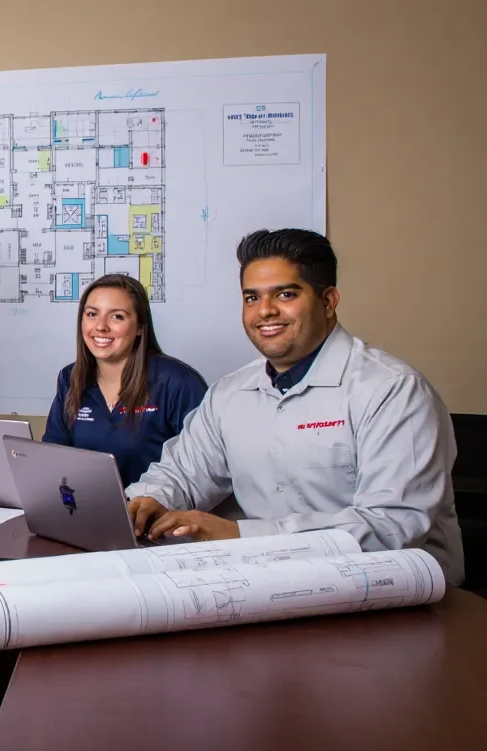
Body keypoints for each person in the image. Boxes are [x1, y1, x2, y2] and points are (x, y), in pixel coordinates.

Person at [124, 228, 464, 584]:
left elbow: (392, 527)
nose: (265, 311)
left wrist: (237, 537)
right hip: (267, 583)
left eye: (285, 294)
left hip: (393, 594)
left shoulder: (393, 390)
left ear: (329, 301)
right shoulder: (230, 393)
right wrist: (148, 501)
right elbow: (182, 473)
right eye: (251, 298)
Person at [42, 274, 207, 487]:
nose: (101, 326)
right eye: (92, 314)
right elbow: (52, 456)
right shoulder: (70, 378)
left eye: (117, 317)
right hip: (85, 512)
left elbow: (203, 469)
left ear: (140, 327)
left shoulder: (177, 382)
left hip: (157, 514)